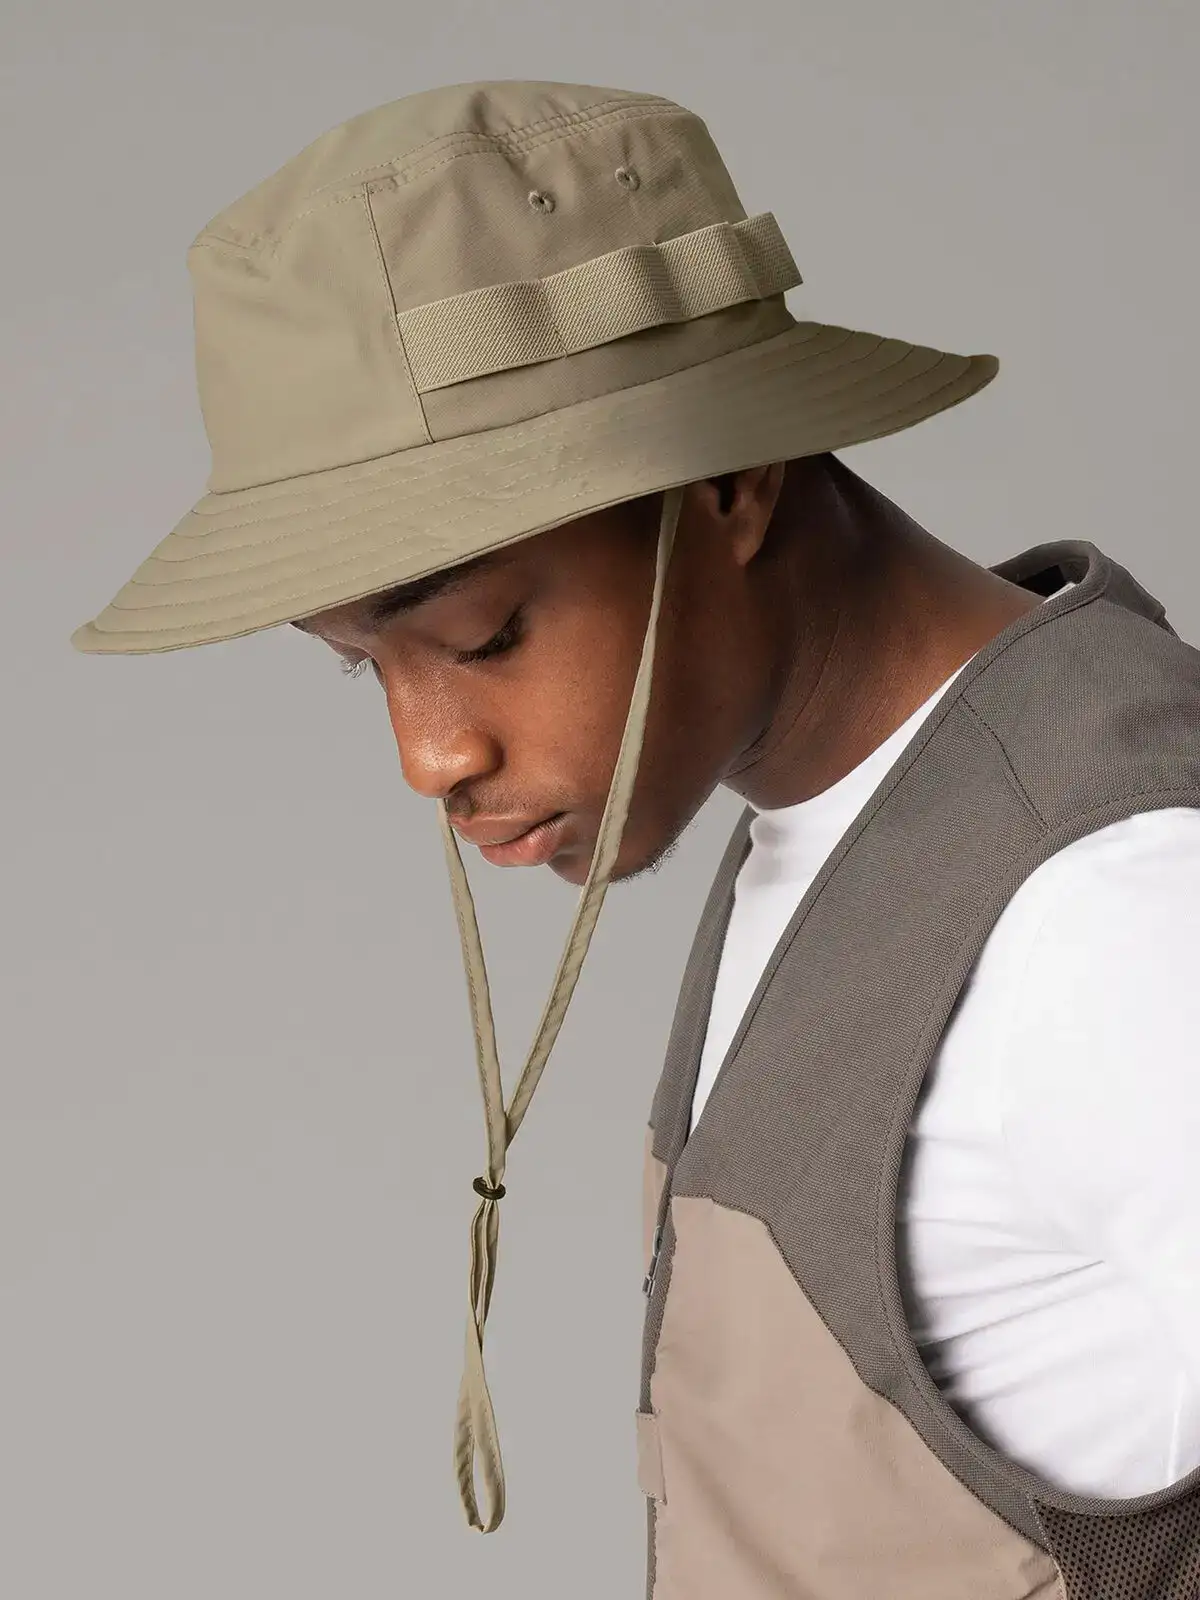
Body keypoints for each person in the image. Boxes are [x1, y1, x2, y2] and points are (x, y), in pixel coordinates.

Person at [70, 78, 1200, 1597]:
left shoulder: (1118, 907)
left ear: (727, 483)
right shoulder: (848, 816)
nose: (427, 754)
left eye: (482, 635)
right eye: (362, 666)